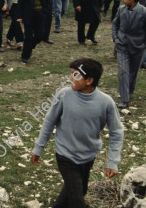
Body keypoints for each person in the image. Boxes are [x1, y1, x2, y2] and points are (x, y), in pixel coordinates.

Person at [31, 58, 123, 208]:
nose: (70, 78)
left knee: (77, 191)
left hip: (88, 155)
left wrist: (113, 162)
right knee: (77, 200)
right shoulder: (63, 95)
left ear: (89, 80)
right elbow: (49, 121)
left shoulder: (106, 102)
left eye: (75, 75)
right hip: (65, 154)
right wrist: (38, 147)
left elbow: (117, 133)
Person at [112, 0, 146, 109]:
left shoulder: (143, 11)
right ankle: (124, 98)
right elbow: (115, 23)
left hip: (138, 46)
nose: (122, 0)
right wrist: (115, 37)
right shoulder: (121, 10)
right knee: (123, 72)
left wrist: (143, 45)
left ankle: (130, 89)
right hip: (122, 45)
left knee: (133, 71)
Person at [17, 0, 52, 64]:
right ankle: (25, 56)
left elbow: (48, 1)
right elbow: (20, 2)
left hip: (40, 14)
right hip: (28, 14)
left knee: (39, 36)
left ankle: (30, 46)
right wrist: (19, 16)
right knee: (28, 36)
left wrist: (46, 13)